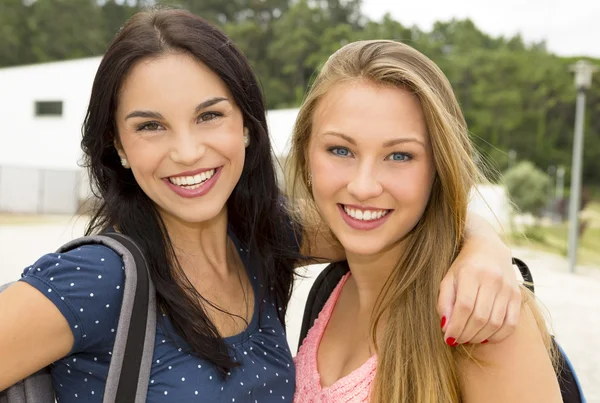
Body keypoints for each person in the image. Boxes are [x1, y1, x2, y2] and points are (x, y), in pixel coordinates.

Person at [0, 9, 519, 403]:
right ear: (118, 146)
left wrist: (484, 249)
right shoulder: (95, 278)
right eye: (151, 126)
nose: (186, 151)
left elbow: (394, 215)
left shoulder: (263, 240)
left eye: (209, 116)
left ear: (246, 125)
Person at [290, 39, 562, 402]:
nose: (364, 186)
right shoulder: (333, 287)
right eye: (341, 150)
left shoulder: (484, 315)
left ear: (438, 168)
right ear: (306, 154)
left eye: (400, 155)